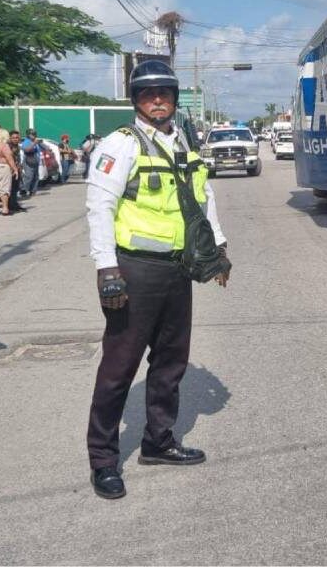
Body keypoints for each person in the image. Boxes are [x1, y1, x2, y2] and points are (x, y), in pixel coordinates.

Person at [85, 60, 231, 500]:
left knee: (170, 362)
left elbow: (201, 198)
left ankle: (158, 442)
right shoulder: (121, 144)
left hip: (177, 269)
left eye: (164, 93)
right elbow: (99, 207)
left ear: (173, 96)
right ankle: (103, 460)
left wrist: (218, 250)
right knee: (119, 368)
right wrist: (106, 268)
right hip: (134, 270)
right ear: (136, 100)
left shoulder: (182, 140)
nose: (157, 100)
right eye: (148, 94)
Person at [6, 130, 25, 214]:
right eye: (13, 138)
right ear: (10, 138)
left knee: (15, 188)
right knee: (10, 189)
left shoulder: (17, 146)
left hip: (17, 169)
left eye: (17, 137)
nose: (15, 139)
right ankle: (10, 206)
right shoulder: (8, 147)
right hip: (10, 170)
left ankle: (14, 204)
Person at [19, 129, 42, 197]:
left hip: (35, 161)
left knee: (36, 177)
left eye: (35, 134)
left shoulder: (34, 141)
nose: (34, 136)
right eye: (33, 134)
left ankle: (33, 191)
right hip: (29, 160)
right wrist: (34, 143)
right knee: (29, 176)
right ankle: (23, 191)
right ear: (28, 135)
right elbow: (27, 150)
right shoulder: (27, 141)